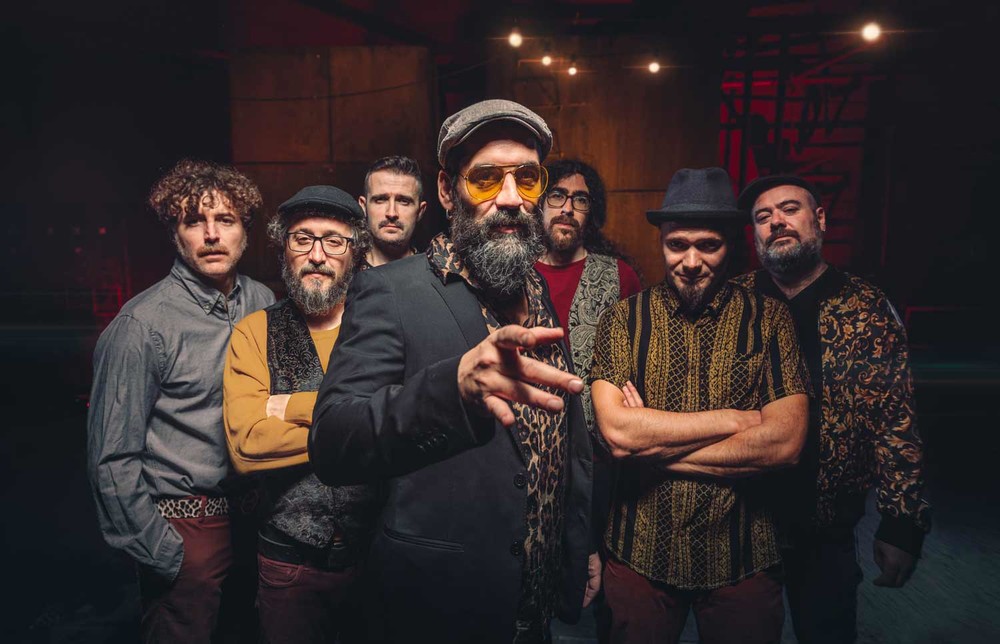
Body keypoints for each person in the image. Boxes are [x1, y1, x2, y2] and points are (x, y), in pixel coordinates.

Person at [309, 99, 597, 643]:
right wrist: (452, 389)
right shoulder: (392, 291)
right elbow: (332, 442)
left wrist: (579, 548)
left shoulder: (534, 285)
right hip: (442, 603)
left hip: (532, 605)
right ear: (447, 191)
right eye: (486, 180)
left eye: (527, 179)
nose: (510, 199)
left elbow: (561, 441)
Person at [590, 167, 809, 644]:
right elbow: (618, 434)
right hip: (640, 550)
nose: (690, 261)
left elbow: (785, 443)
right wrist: (736, 420)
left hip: (742, 554)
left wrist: (653, 444)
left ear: (730, 244)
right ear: (662, 242)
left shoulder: (771, 320)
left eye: (708, 245)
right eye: (677, 245)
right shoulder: (622, 319)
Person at [735, 174, 931, 643]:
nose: (776, 222)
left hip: (826, 527)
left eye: (790, 209)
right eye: (763, 216)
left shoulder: (866, 308)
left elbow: (895, 420)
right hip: (740, 519)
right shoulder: (734, 302)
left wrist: (902, 524)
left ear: (819, 219)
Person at [87, 159, 274, 643]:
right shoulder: (141, 325)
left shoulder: (264, 303)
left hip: (253, 524)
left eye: (225, 220)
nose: (211, 234)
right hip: (185, 529)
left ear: (245, 231)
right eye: (195, 221)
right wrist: (163, 553)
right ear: (176, 234)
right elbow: (111, 458)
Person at [224, 185, 378, 643]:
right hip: (288, 562)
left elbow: (402, 419)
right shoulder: (254, 332)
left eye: (334, 241)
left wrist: (289, 405)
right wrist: (360, 422)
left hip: (377, 556)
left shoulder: (380, 328)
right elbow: (247, 446)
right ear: (283, 251)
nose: (317, 255)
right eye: (302, 238)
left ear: (355, 254)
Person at [533, 158, 642, 431]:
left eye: (580, 200)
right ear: (540, 203)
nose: (567, 209)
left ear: (591, 212)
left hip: (596, 439)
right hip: (529, 432)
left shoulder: (620, 276)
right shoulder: (515, 273)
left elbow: (637, 361)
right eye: (557, 195)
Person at [358, 155, 427, 267]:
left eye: (404, 201)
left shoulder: (433, 274)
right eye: (380, 200)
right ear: (363, 206)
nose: (391, 213)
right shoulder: (345, 273)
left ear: (420, 211)